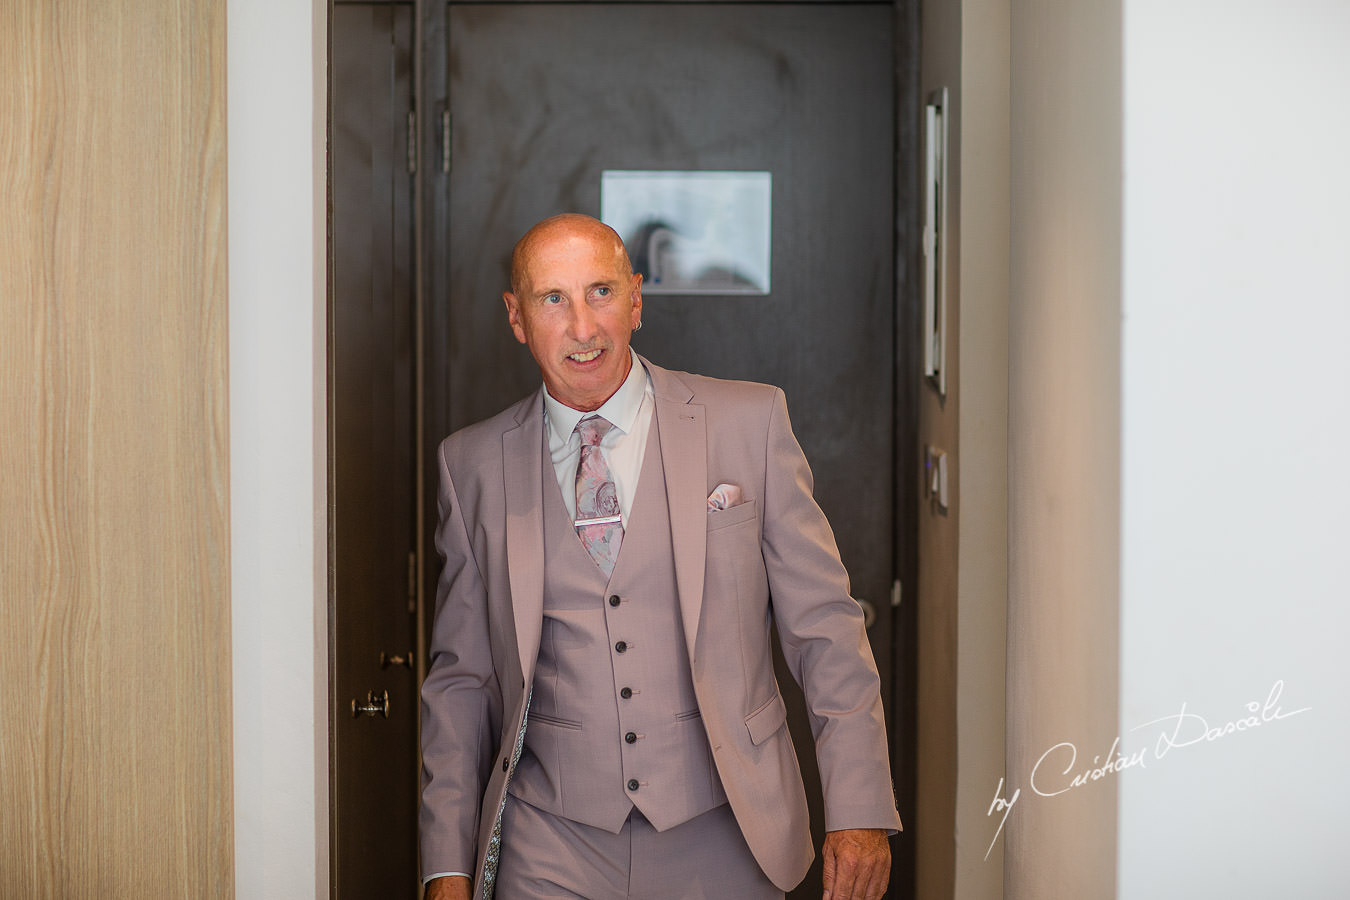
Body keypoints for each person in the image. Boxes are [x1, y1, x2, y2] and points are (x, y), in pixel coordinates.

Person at [420, 214, 901, 900]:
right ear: (517, 317)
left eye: (601, 293)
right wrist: (447, 865)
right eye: (552, 298)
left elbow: (824, 625)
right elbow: (461, 682)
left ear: (636, 299)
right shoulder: (470, 464)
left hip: (727, 832)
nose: (583, 327)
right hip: (549, 845)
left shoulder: (749, 423)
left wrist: (859, 808)